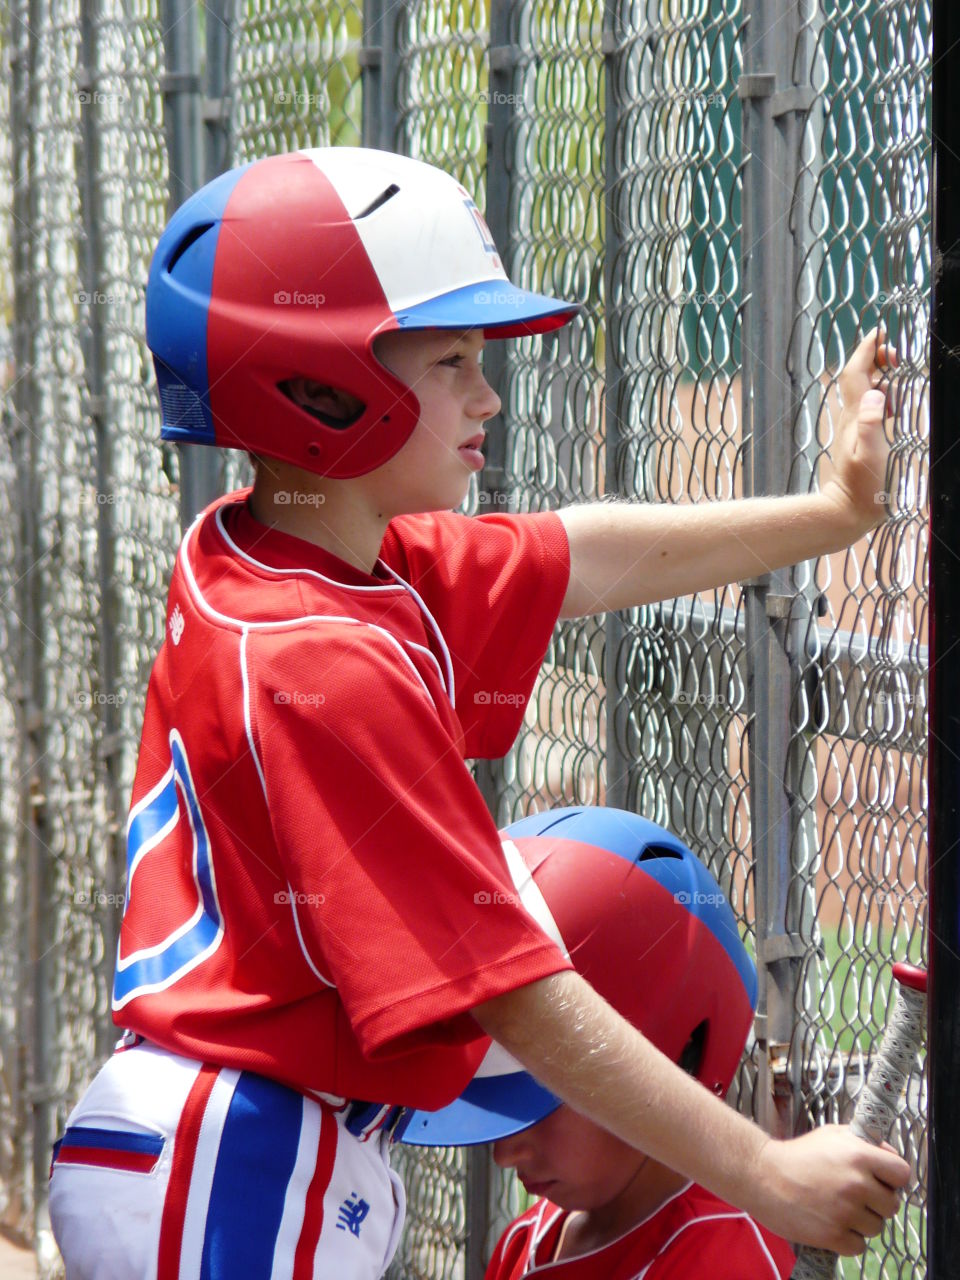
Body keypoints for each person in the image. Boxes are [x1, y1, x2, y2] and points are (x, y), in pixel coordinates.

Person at [48, 147, 908, 1279]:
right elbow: (515, 990)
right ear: (320, 386)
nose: (487, 395)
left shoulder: (295, 558)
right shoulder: (324, 664)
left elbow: (578, 555)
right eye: (451, 359)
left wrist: (833, 511)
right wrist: (761, 1169)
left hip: (220, 1144)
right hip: (238, 1161)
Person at [397, 805, 796, 1278]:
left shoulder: (724, 1258)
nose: (504, 1154)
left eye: (542, 1101)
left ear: (677, 1060)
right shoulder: (530, 1240)